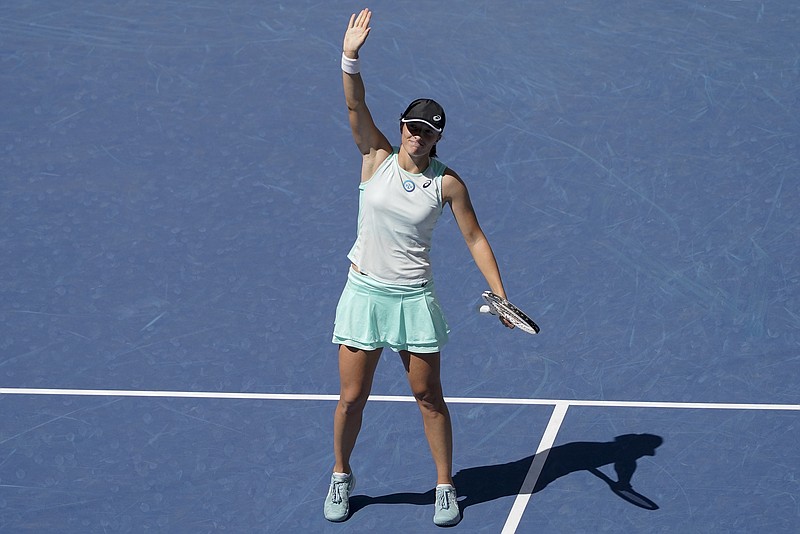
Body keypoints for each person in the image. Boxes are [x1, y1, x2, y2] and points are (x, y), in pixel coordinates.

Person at [323, 8, 512, 527]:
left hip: (412, 300)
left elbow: (474, 236)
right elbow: (354, 104)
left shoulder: (446, 182)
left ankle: (445, 486)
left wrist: (499, 293)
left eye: (428, 134)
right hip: (364, 292)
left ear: (436, 140)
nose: (417, 138)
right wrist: (350, 56)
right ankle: (341, 474)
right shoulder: (375, 155)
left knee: (429, 397)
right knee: (351, 398)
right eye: (413, 128)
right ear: (403, 126)